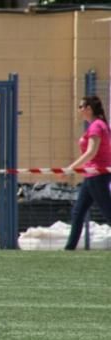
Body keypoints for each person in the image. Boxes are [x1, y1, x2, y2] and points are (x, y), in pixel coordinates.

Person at [64, 95, 111, 250]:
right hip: (91, 176)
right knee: (78, 212)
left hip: (97, 175)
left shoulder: (97, 126)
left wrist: (71, 168)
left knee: (108, 211)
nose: (79, 110)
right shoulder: (100, 124)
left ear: (89, 109)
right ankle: (69, 248)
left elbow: (91, 152)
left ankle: (69, 247)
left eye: (80, 107)